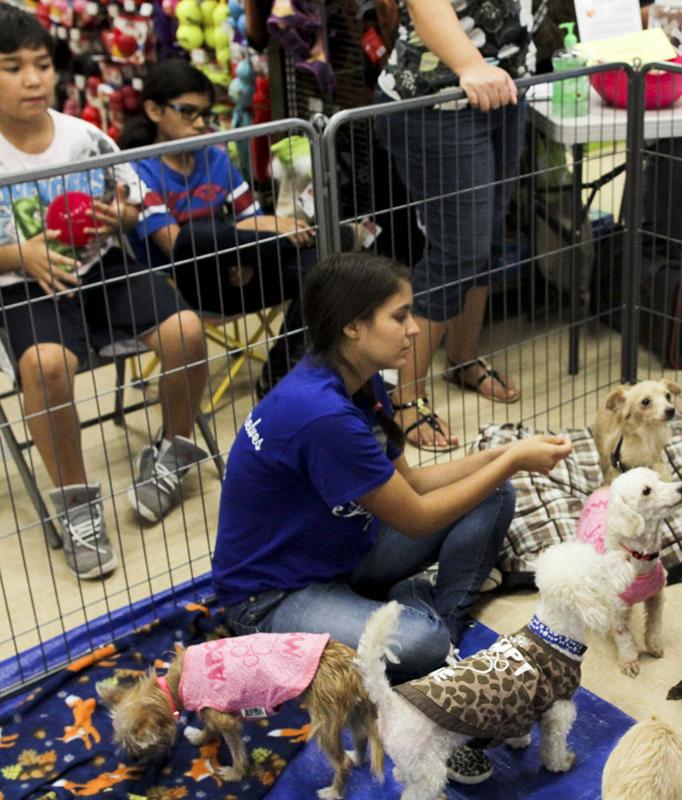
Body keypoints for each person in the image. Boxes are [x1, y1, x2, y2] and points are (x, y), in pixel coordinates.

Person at [212, 252, 572, 781]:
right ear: (353, 326)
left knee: (494, 494)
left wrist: (506, 453)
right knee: (418, 644)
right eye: (399, 316)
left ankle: (439, 626)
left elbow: (417, 482)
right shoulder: (324, 415)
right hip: (271, 597)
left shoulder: (356, 378)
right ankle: (430, 637)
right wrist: (512, 459)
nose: (413, 329)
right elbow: (419, 517)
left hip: (339, 549)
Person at [0, 6, 210, 578]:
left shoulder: (84, 134)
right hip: (24, 286)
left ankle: (173, 452)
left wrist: (118, 216)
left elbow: (131, 199)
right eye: (13, 68)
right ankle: (76, 505)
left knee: (188, 331)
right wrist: (21, 254)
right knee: (45, 366)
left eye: (42, 65)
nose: (34, 79)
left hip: (102, 268)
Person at [370, 0, 540, 450]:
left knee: (484, 241)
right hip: (437, 99)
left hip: (504, 89)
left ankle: (464, 359)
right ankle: (404, 400)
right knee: (457, 249)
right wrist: (468, 63)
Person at [121, 60, 317, 399]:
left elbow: (252, 218)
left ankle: (279, 376)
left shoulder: (216, 159)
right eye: (187, 112)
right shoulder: (137, 169)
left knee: (318, 268)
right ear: (153, 110)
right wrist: (264, 230)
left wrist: (250, 247)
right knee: (197, 235)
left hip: (241, 272)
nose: (199, 124)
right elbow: (174, 245)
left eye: (205, 114)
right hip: (183, 287)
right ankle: (336, 231)